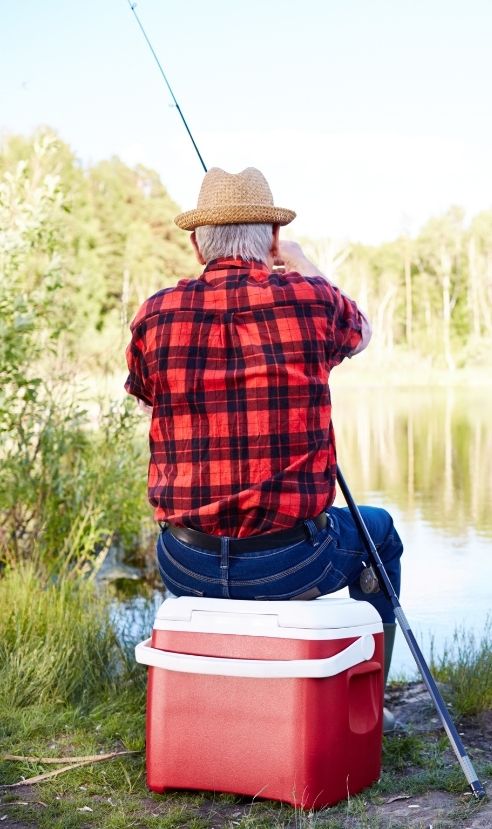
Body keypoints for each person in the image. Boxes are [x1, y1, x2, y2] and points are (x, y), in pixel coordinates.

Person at [125, 167, 403, 730]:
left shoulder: (155, 315)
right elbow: (363, 331)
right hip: (290, 560)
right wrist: (299, 261)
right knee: (381, 533)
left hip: (187, 560)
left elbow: (144, 400)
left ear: (198, 241)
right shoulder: (310, 299)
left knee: (336, 533)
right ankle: (370, 703)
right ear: (271, 239)